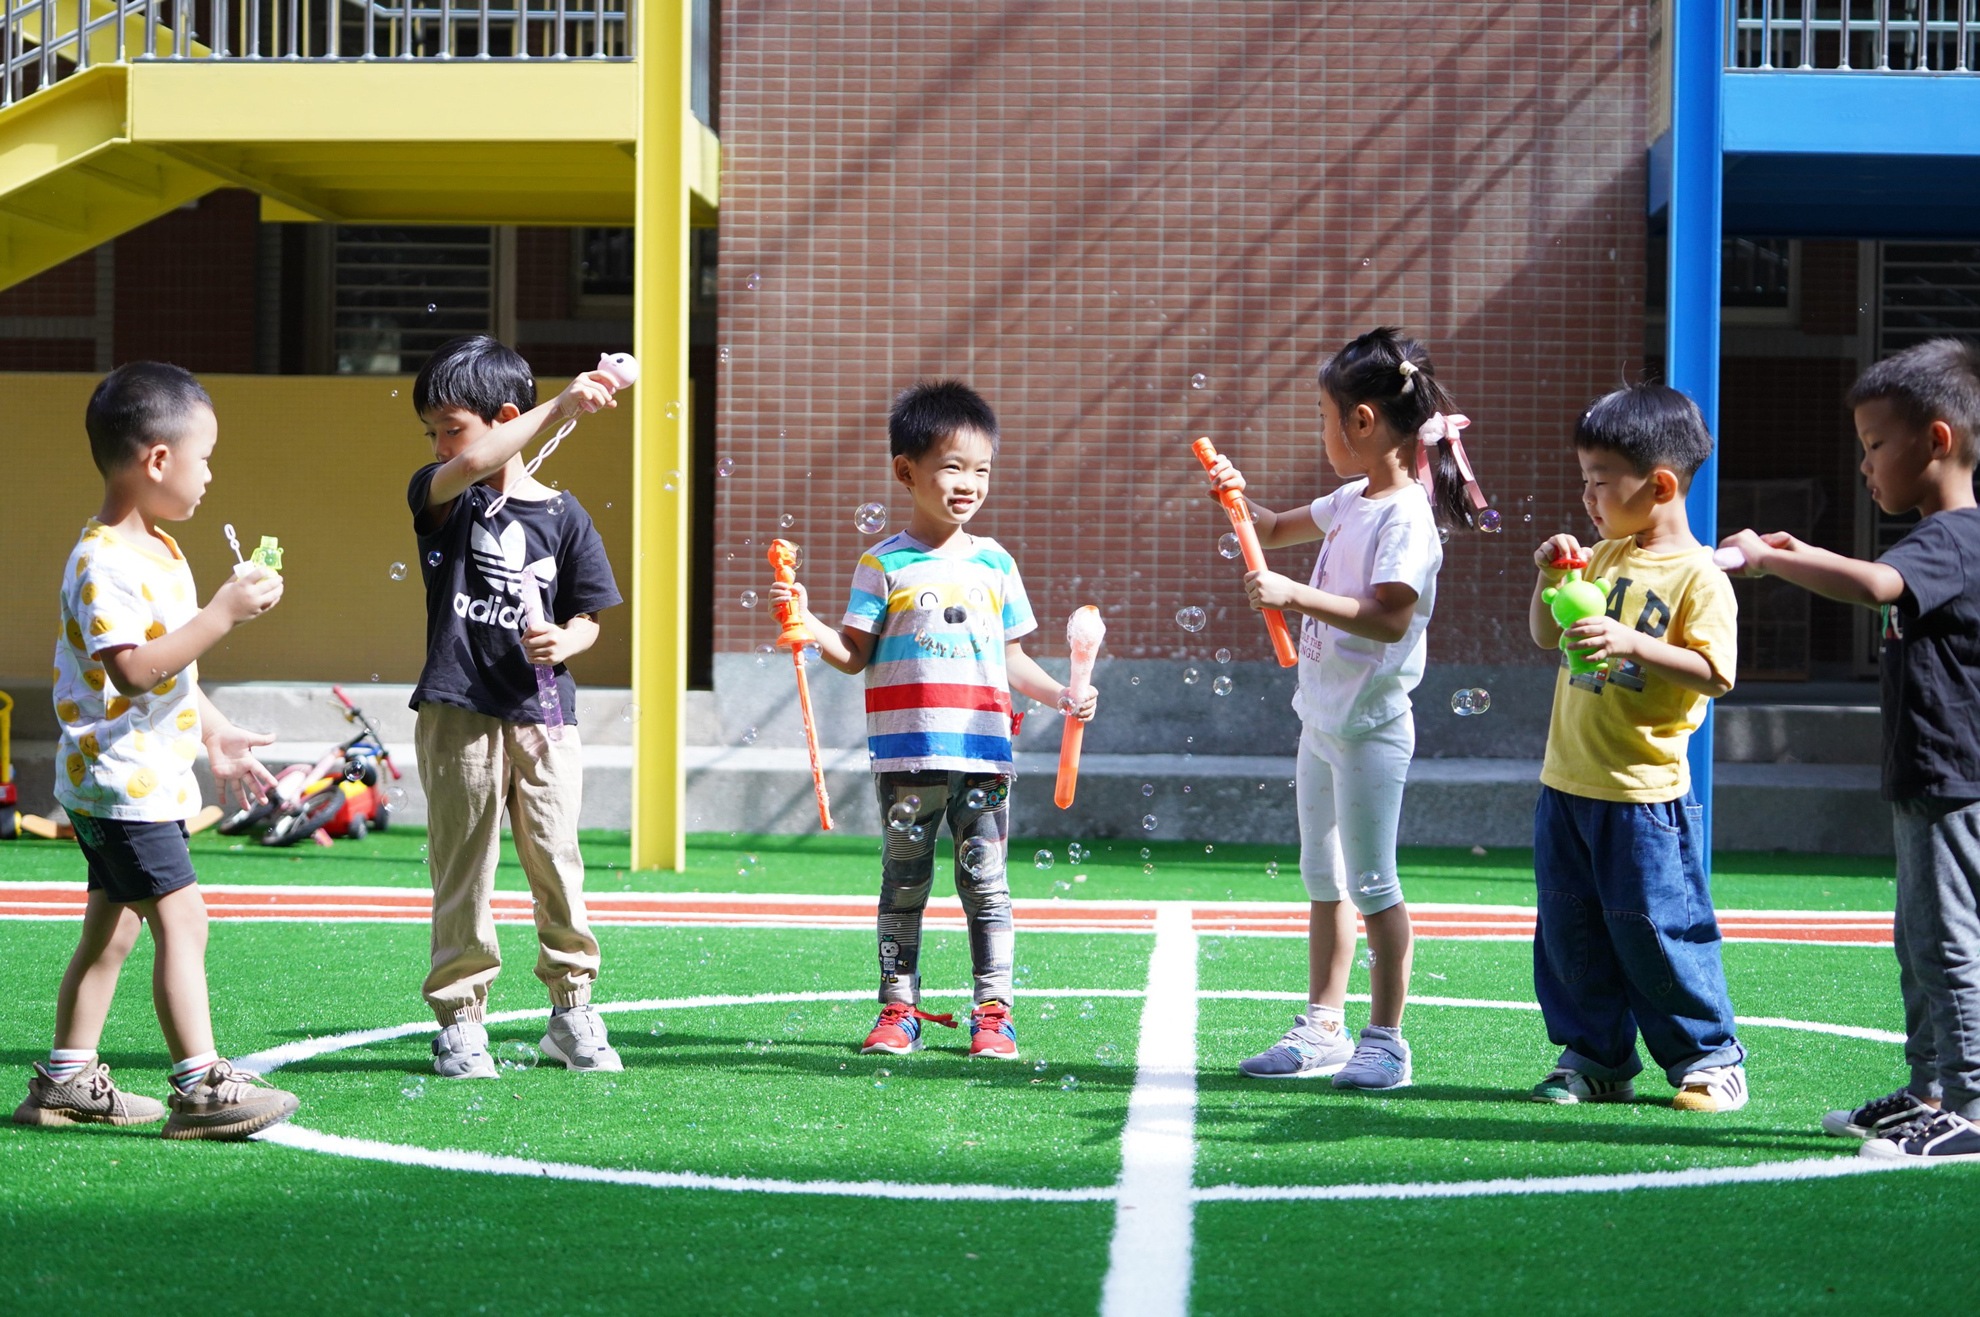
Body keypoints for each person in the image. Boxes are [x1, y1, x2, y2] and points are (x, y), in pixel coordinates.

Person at [14, 362, 300, 1139]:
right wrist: (223, 612)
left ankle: (66, 1079)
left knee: (114, 927)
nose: (212, 474)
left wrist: (214, 728)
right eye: (204, 457)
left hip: (134, 782)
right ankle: (201, 1084)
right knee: (184, 919)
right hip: (120, 785)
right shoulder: (103, 561)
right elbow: (134, 669)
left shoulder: (162, 551)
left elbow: (172, 667)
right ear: (159, 460)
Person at [771, 380, 1097, 1059]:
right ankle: (898, 1008)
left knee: (987, 884)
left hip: (983, 753)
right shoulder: (881, 563)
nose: (968, 483)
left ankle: (994, 1010)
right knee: (904, 882)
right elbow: (853, 655)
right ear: (905, 471)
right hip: (908, 757)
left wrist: (1063, 694)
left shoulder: (995, 564)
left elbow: (1012, 658)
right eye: (952, 466)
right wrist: (809, 624)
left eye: (981, 469)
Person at [1720, 337, 1980, 1160]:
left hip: (1954, 775)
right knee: (1917, 936)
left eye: (1874, 445)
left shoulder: (1954, 536)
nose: (1865, 465)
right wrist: (1801, 559)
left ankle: (1972, 1103)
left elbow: (1874, 585)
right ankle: (1930, 1088)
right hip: (1925, 772)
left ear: (1936, 440)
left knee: (1947, 938)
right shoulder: (1940, 540)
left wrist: (1773, 561)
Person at [1207, 327, 1483, 1091]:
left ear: (1362, 421)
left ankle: (1386, 1038)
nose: (1322, 433)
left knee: (1372, 883)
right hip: (1321, 720)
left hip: (1370, 729)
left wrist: (1294, 594)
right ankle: (1322, 1026)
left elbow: (1390, 614)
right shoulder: (1353, 497)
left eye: (1325, 418)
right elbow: (1268, 529)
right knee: (1320, 878)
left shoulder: (1407, 518)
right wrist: (1235, 493)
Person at [407, 336, 625, 1078]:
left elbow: (592, 614)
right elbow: (469, 465)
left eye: (449, 425)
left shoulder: (565, 516)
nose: (439, 444)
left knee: (556, 857)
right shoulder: (444, 493)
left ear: (503, 416)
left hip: (545, 714)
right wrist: (564, 403)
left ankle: (572, 1011)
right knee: (463, 862)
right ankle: (462, 1019)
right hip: (457, 706)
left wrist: (565, 640)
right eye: (432, 431)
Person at [1526, 383, 1746, 1112]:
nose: (1587, 498)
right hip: (1568, 782)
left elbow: (1717, 673)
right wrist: (1550, 578)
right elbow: (1542, 633)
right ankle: (1596, 1056)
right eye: (1583, 479)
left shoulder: (1700, 577)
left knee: (1657, 931)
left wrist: (1633, 642)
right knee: (1571, 932)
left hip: (1645, 797)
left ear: (1659, 484)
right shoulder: (1603, 554)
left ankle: (1709, 1058)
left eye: (1599, 481)